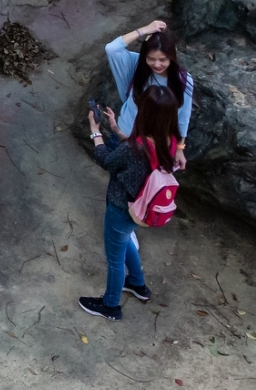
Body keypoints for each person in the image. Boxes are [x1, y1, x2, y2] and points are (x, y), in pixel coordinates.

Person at [79, 85, 180, 320]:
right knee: (124, 242)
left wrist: (96, 132)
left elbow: (106, 159)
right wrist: (115, 128)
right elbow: (139, 147)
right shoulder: (170, 141)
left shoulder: (133, 149)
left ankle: (111, 305)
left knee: (114, 260)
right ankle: (137, 284)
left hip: (120, 208)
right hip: (142, 209)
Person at [107, 18, 193, 170]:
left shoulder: (183, 80)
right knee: (116, 185)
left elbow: (183, 116)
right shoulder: (136, 65)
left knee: (142, 191)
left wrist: (180, 148)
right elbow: (111, 49)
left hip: (153, 148)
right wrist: (145, 30)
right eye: (151, 59)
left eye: (163, 59)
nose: (157, 64)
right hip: (123, 137)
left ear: (172, 58)